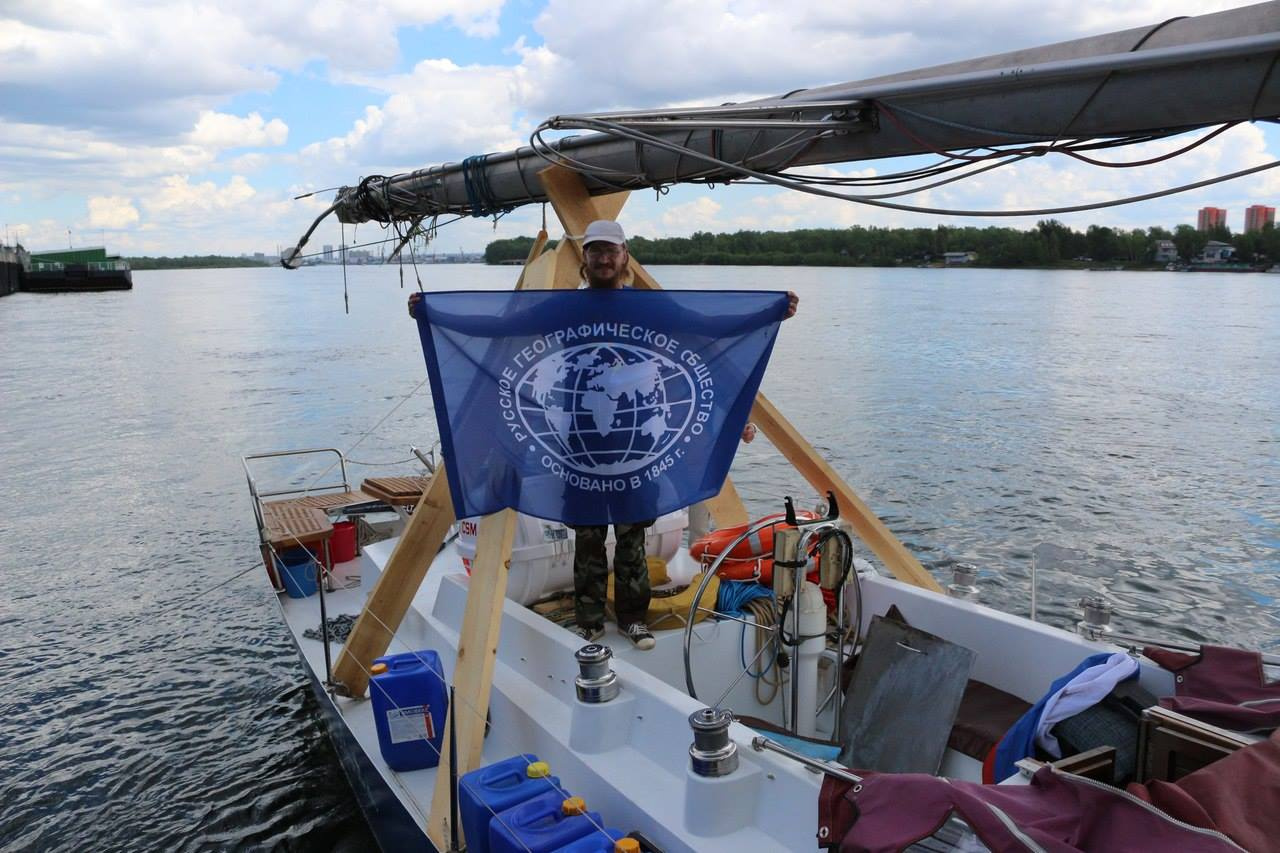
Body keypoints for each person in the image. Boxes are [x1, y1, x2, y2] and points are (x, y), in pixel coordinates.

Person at [410, 220, 798, 651]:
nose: (604, 258)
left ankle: (634, 619)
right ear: (585, 260)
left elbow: (706, 329)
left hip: (640, 452)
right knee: (588, 540)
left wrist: (769, 311)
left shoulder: (649, 308)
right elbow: (505, 327)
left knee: (632, 540)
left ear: (625, 256)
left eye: (611, 250)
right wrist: (433, 313)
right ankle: (590, 621)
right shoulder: (563, 308)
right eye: (595, 251)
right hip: (580, 450)